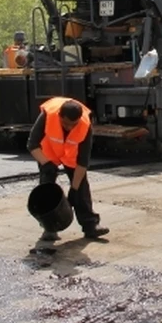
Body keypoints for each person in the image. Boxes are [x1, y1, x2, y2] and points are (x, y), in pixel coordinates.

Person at [28, 97, 109, 241]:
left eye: (74, 125)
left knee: (81, 188)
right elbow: (32, 144)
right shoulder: (48, 115)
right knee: (46, 187)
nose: (70, 128)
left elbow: (83, 161)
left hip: (71, 155)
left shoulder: (85, 124)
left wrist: (74, 189)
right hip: (48, 153)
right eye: (66, 124)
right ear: (60, 116)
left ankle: (90, 226)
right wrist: (46, 164)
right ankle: (49, 229)